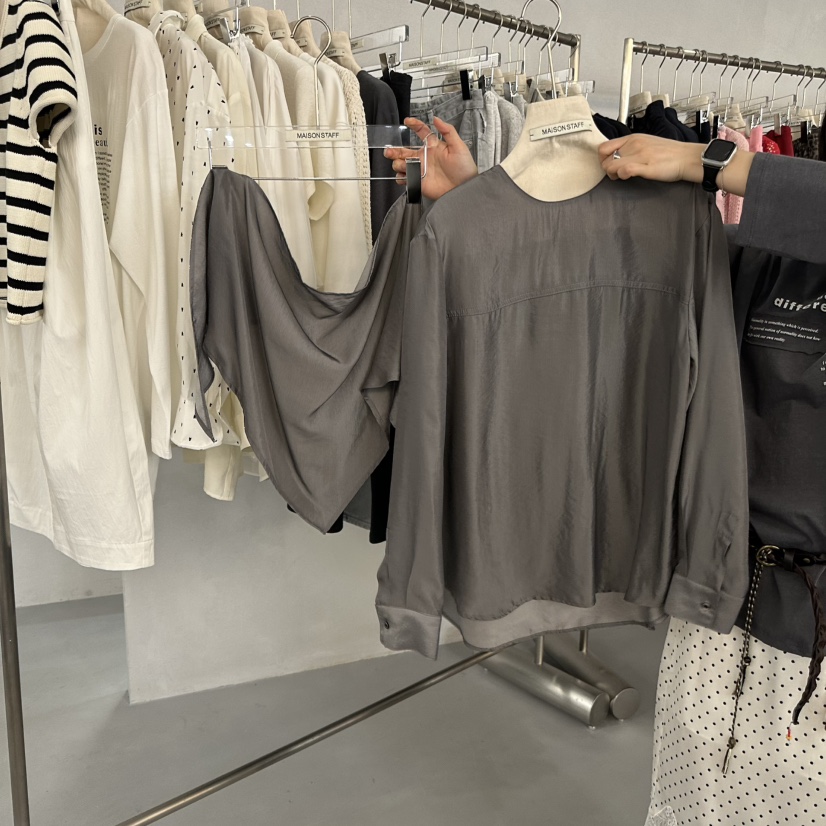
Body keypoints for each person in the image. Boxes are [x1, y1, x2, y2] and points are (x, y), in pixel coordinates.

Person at [387, 121, 826, 824]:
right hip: (729, 607)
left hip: (813, 634)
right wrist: (487, 209)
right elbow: (612, 274)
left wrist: (706, 159)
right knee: (691, 802)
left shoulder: (745, 199)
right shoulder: (761, 258)